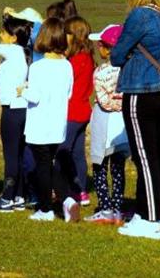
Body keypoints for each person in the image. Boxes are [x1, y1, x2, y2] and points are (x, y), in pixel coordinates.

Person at [109, 0, 160, 240]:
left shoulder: (139, 15)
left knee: (144, 157)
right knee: (153, 154)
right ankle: (144, 212)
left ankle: (151, 220)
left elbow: (116, 55)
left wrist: (127, 54)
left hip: (141, 90)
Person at [23, 18, 75, 222]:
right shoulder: (67, 66)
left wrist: (23, 90)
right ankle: (66, 199)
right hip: (57, 123)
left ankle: (46, 209)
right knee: (49, 163)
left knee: (42, 166)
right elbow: (68, 94)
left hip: (39, 124)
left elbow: (34, 96)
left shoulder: (37, 67)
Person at [0, 16, 32, 212]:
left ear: (13, 37)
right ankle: (18, 195)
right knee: (18, 154)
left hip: (11, 110)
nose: (0, 35)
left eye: (3, 32)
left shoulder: (12, 50)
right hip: (21, 109)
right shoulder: (19, 55)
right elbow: (2, 80)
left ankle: (7, 199)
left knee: (10, 155)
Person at [85, 24, 129, 225]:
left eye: (101, 45)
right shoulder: (129, 69)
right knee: (118, 167)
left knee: (100, 166)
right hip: (122, 123)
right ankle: (118, 209)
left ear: (107, 48)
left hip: (105, 120)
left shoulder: (101, 72)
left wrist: (113, 104)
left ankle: (105, 208)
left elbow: (103, 100)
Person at [61, 16, 94, 207]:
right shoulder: (88, 58)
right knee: (78, 153)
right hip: (83, 110)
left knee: (64, 151)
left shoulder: (74, 61)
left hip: (71, 112)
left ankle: (66, 188)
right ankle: (81, 190)